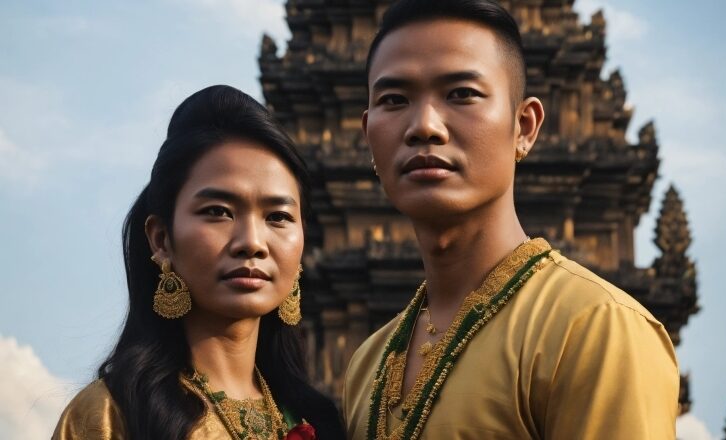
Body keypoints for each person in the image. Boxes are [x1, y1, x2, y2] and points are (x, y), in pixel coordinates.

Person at [343, 1, 679, 439]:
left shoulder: (593, 330)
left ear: (524, 127)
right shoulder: (368, 365)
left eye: (461, 93)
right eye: (394, 100)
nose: (424, 125)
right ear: (368, 134)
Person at [53, 85, 345, 439]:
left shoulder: (319, 421)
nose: (252, 242)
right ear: (161, 239)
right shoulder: (109, 416)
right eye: (218, 212)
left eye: (278, 217)